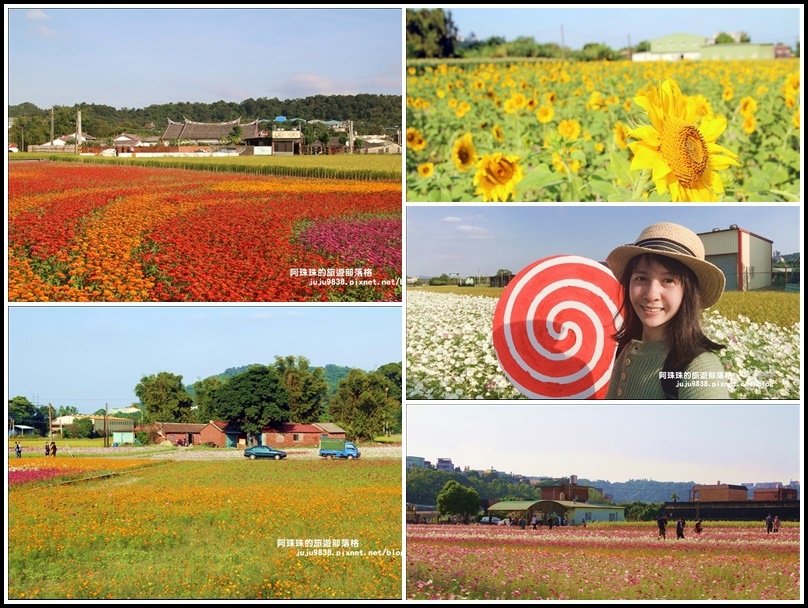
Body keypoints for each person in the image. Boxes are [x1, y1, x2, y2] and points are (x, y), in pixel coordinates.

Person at [605, 222, 730, 400]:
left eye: (668, 280)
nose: (651, 295)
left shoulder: (699, 369)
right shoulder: (626, 349)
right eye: (641, 278)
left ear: (688, 292)